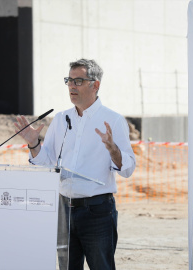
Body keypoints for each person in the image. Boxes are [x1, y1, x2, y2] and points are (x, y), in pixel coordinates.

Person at [14, 59, 136, 270]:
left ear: (95, 85)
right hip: (63, 209)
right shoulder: (61, 119)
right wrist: (34, 143)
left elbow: (128, 169)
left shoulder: (113, 120)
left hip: (97, 211)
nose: (71, 86)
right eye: (69, 80)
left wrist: (113, 149)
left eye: (78, 81)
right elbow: (45, 162)